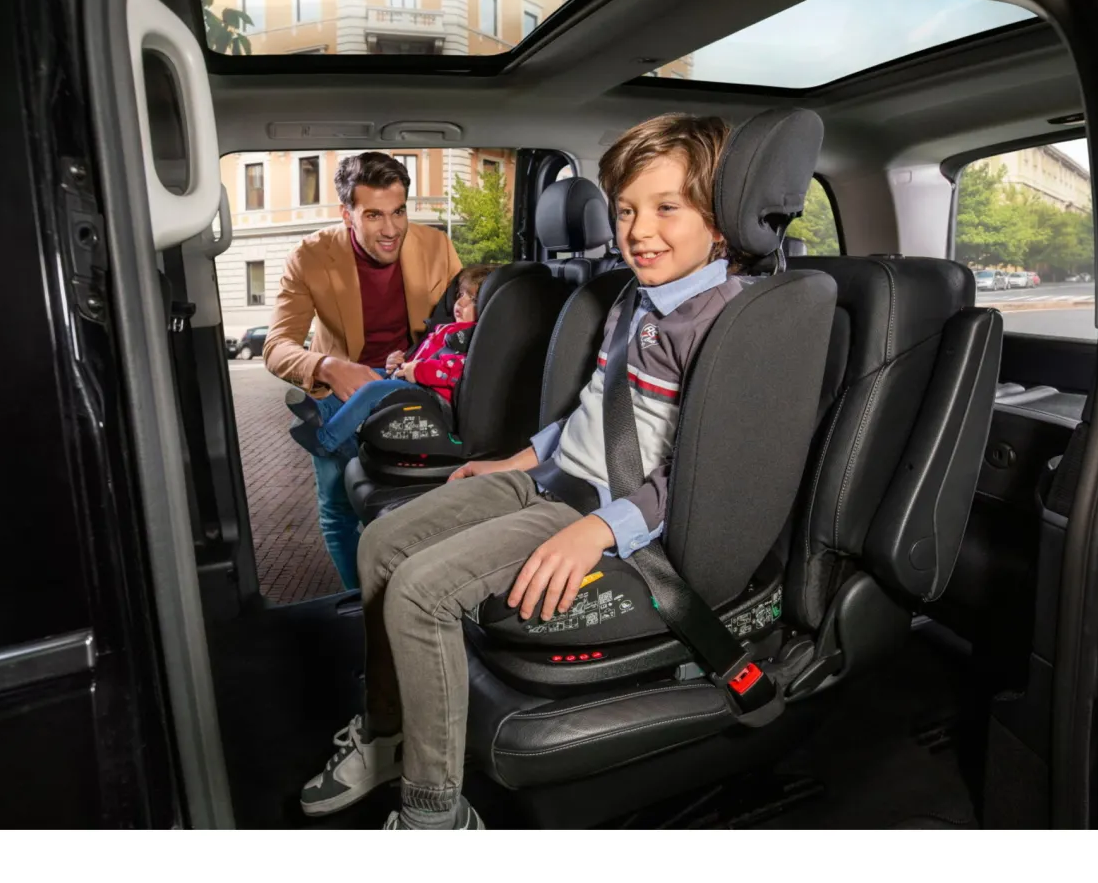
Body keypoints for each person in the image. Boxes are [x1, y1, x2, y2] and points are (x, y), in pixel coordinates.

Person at [300, 114, 756, 830]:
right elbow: (594, 406)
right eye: (627, 210)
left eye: (667, 207)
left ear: (719, 221)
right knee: (379, 543)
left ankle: (435, 813)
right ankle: (390, 733)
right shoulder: (632, 296)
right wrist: (519, 457)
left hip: (598, 508)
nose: (640, 231)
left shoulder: (727, 324)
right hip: (550, 475)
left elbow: (708, 474)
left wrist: (600, 531)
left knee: (419, 592)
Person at [262, 152, 461, 591]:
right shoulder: (310, 256)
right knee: (338, 508)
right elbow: (276, 347)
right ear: (346, 213)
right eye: (373, 215)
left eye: (398, 212)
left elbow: (460, 327)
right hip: (336, 393)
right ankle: (360, 602)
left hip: (411, 384)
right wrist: (327, 366)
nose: (390, 229)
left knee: (415, 505)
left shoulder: (437, 246)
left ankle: (411, 598)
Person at [283, 264, 493, 459]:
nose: (461, 302)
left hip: (433, 398)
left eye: (473, 300)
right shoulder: (447, 328)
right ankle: (323, 410)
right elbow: (426, 356)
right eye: (461, 295)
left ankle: (326, 441)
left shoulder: (475, 338)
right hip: (417, 383)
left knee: (372, 389)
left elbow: (456, 370)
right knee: (364, 376)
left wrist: (417, 370)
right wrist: (401, 361)